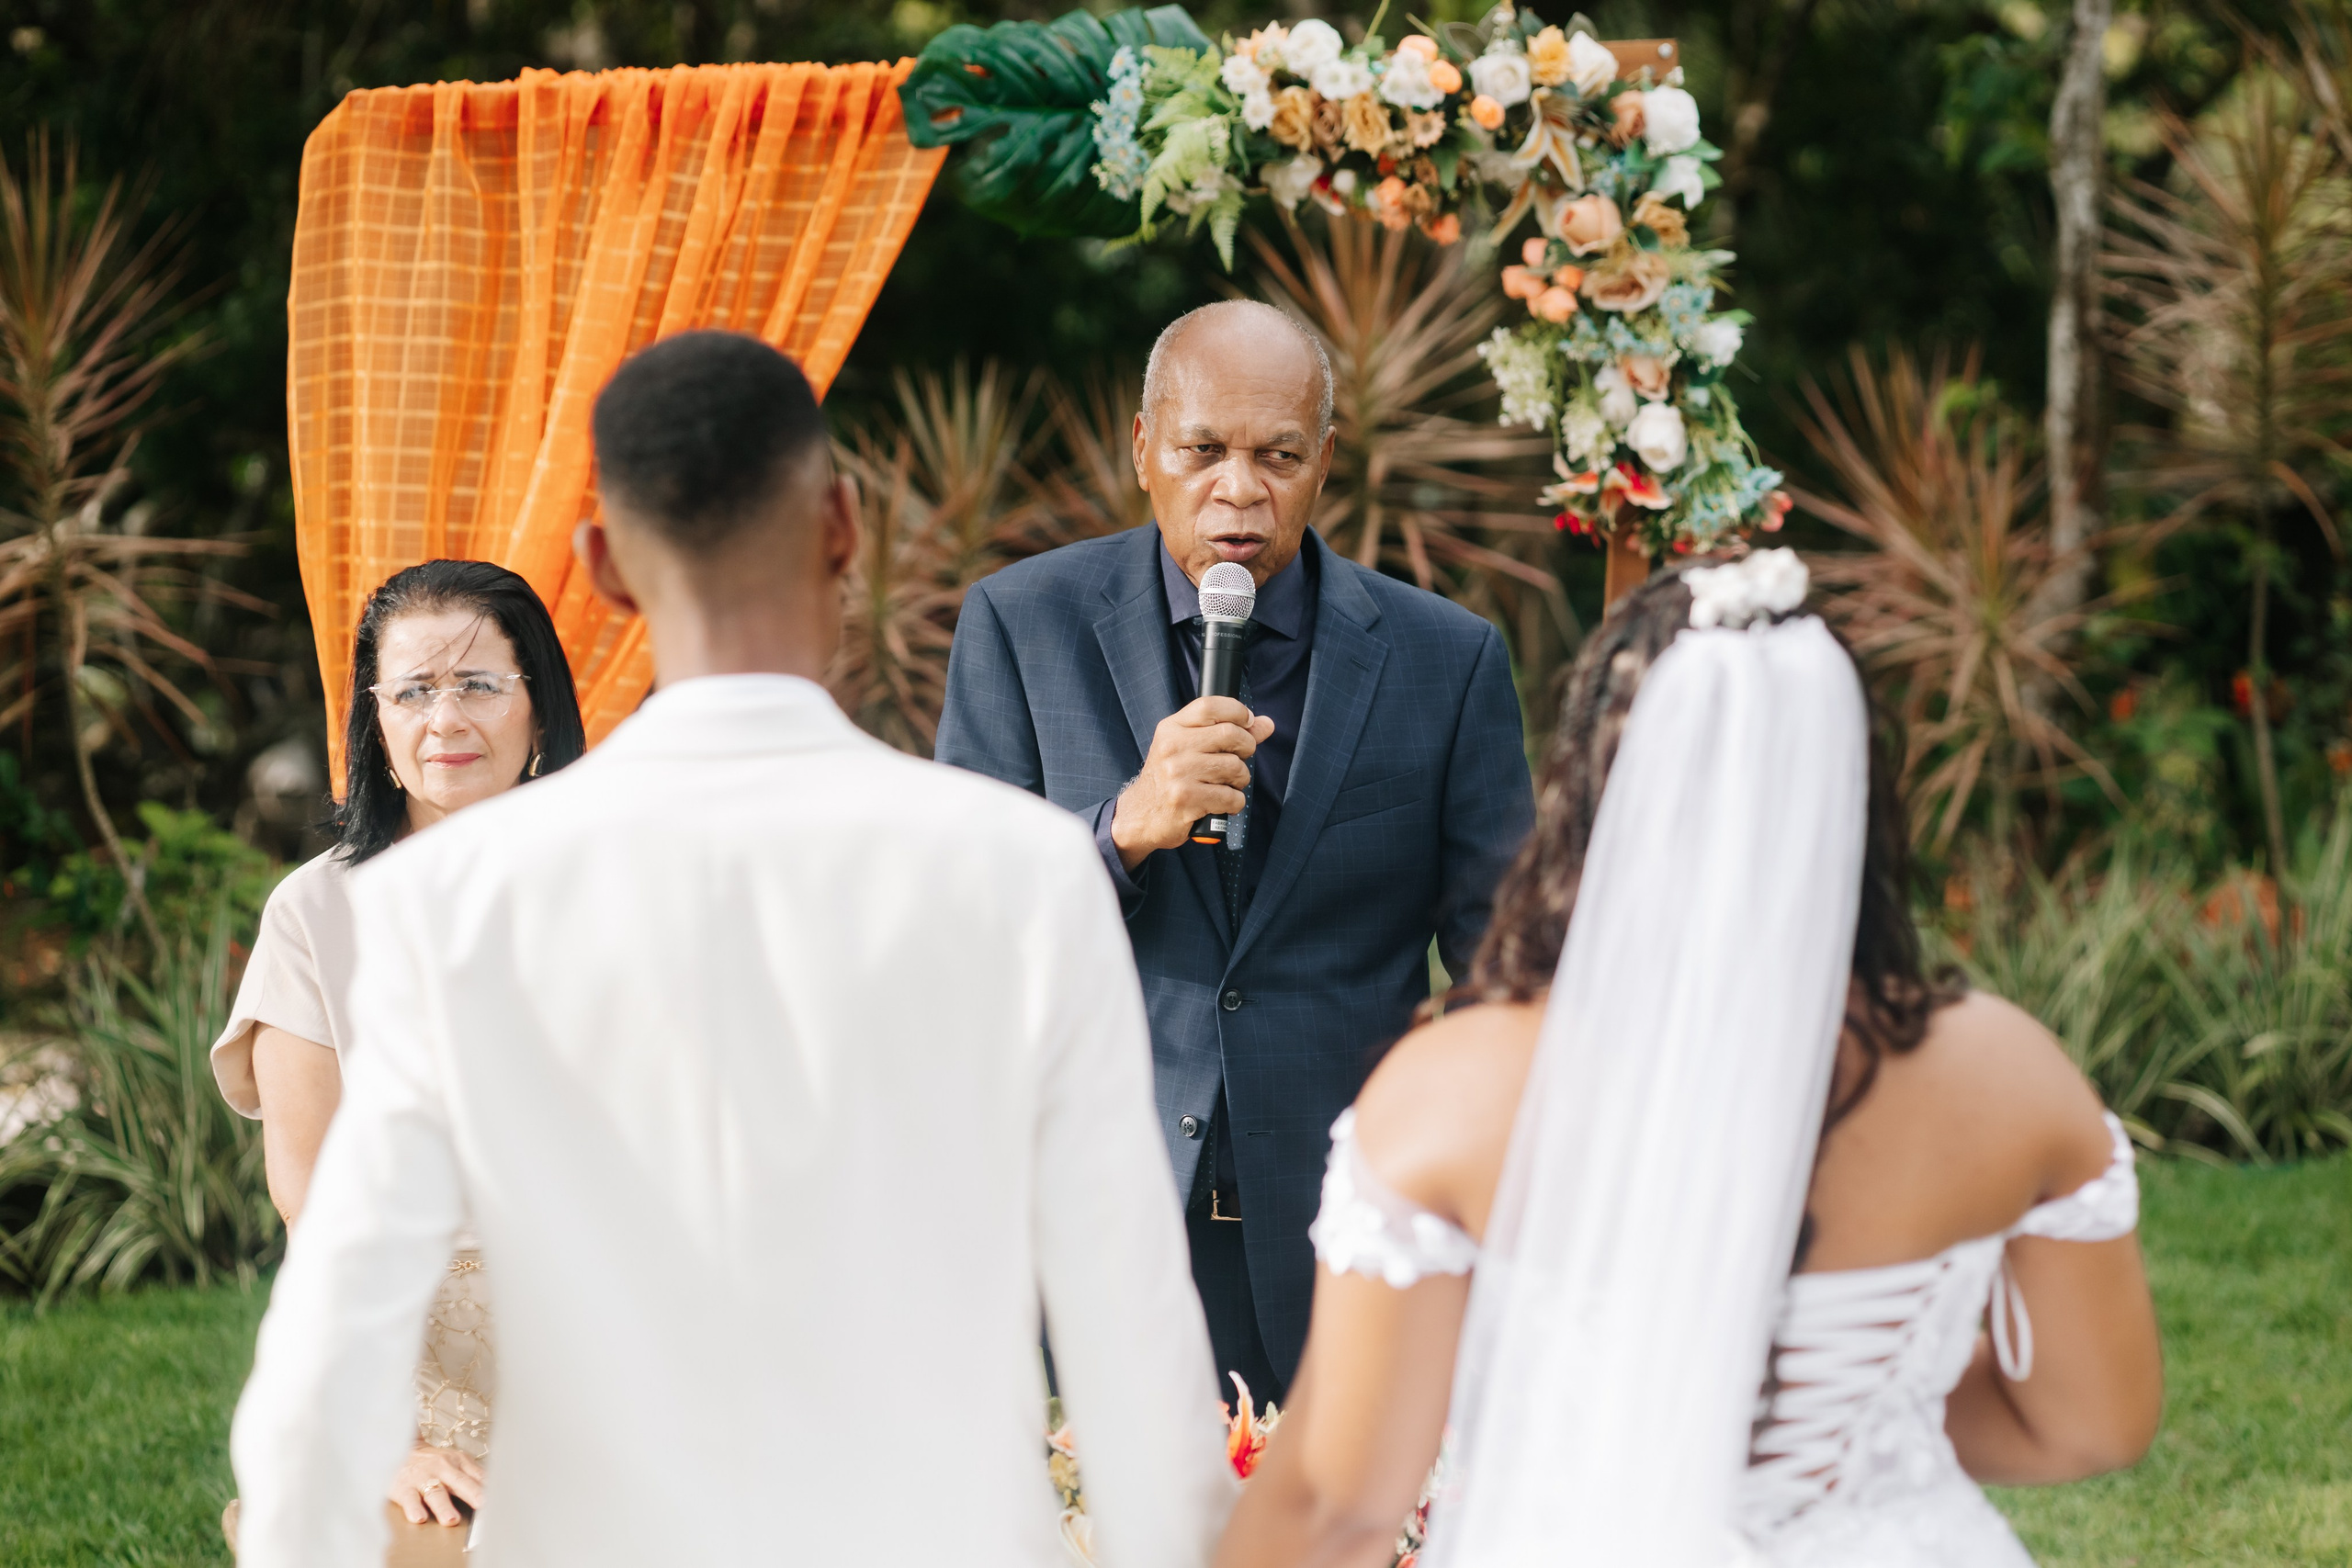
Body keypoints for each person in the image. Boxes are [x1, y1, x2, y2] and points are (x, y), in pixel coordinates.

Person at [229, 330, 1237, 1568]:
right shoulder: (1021, 871)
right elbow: (1129, 1330)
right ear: (843, 526)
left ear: (598, 563)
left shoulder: (452, 899)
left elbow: (330, 1353)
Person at [1214, 554, 2164, 1568]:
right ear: (1850, 789)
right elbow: (2085, 1423)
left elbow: (1334, 1508)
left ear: (1597, 786)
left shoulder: (1452, 1093)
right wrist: (1864, 1434)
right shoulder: (2000, 1074)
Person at [934, 300, 1533, 1405]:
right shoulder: (1025, 626)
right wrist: (1122, 829)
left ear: (1325, 463)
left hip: (1356, 1222)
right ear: (1143, 448)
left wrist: (1455, 1164)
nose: (1239, 491)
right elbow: (960, 930)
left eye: (1278, 456)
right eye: (1203, 451)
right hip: (1104, 1218)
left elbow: (1508, 966)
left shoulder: (1444, 659)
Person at [211, 558, 587, 1530]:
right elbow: (310, 1197)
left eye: (477, 685)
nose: (445, 720)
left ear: (538, 705)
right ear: (374, 721)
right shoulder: (314, 912)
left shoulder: (616, 888)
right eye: (413, 691)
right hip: (418, 1363)